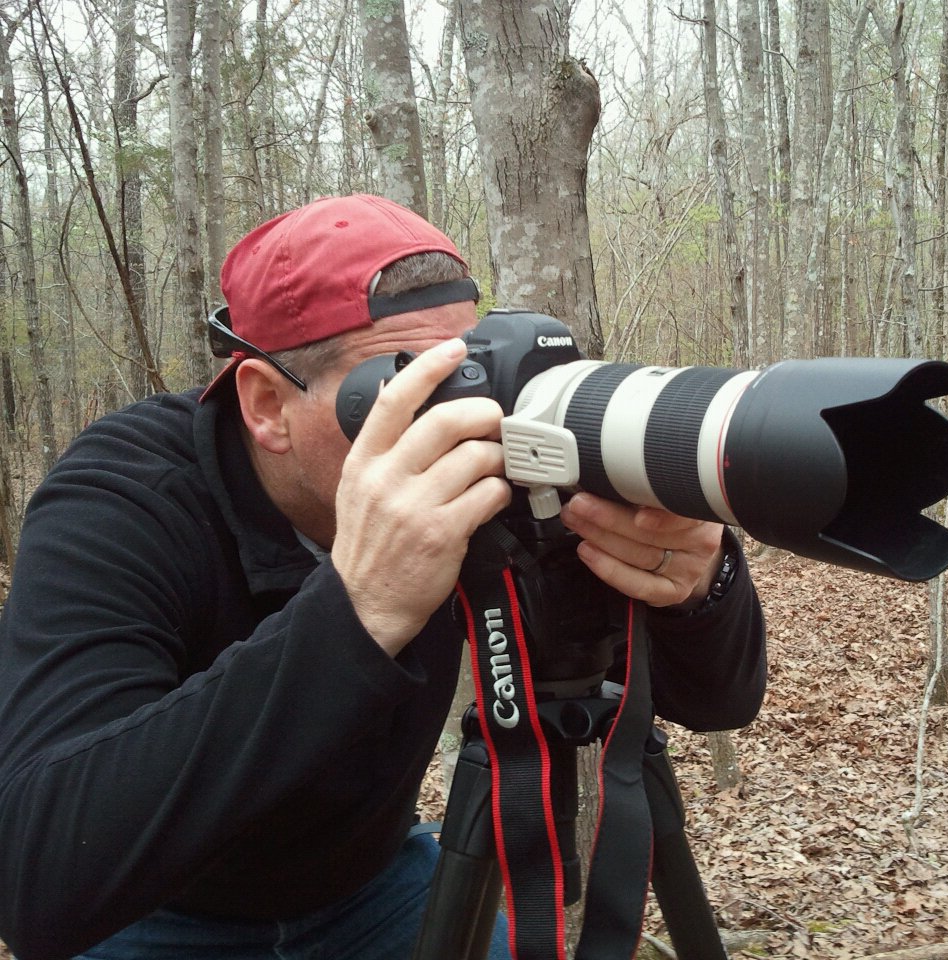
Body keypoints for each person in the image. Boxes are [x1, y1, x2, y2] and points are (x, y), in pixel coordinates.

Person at [0, 194, 767, 960]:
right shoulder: (125, 497)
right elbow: (37, 876)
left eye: (466, 373)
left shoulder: (486, 469)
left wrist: (699, 584)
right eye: (406, 389)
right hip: (158, 910)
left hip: (374, 888)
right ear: (266, 404)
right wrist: (359, 607)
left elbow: (717, 700)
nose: (457, 421)